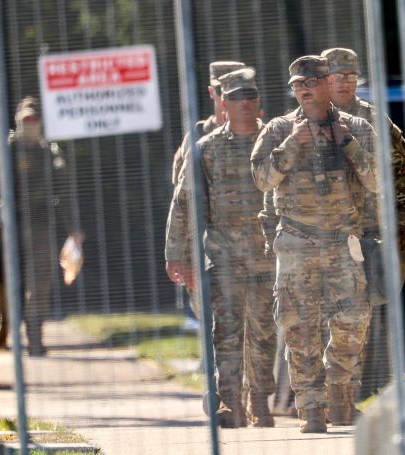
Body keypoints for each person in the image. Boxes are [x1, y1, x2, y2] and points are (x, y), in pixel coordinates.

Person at [251, 55, 377, 433]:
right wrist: (291, 145)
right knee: (299, 327)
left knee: (352, 321)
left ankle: (341, 393)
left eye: (311, 82)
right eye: (297, 85)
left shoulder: (355, 126)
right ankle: (311, 406)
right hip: (297, 241)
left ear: (327, 84)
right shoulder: (277, 129)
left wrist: (349, 144)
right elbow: (261, 179)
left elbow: (377, 181)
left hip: (343, 242)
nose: (304, 89)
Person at [166, 68, 276, 428]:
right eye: (236, 98)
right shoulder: (205, 149)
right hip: (224, 256)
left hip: (269, 257)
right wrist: (176, 254)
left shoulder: (276, 143)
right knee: (226, 332)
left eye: (251, 97)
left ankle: (260, 400)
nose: (244, 103)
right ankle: (229, 401)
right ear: (223, 104)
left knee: (263, 333)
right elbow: (184, 204)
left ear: (259, 103)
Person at [320, 48, 405, 400]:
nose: (342, 82)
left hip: (369, 233)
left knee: (365, 314)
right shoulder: (307, 120)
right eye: (334, 76)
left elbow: (401, 176)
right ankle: (321, 395)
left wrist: (403, 225)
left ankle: (359, 392)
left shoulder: (376, 122)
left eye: (349, 76)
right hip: (321, 236)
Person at [0, 96, 80, 356]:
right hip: (9, 228)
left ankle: (35, 338)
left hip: (40, 225)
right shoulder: (1, 151)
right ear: (17, 122)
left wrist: (73, 228)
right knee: (5, 282)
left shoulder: (49, 153)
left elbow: (63, 192)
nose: (30, 125)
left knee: (40, 284)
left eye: (34, 120)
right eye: (26, 120)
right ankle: (5, 326)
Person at [171, 61, 246, 331]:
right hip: (210, 255)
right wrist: (184, 257)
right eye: (220, 89)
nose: (227, 97)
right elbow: (182, 204)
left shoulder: (263, 133)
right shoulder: (197, 138)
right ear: (210, 92)